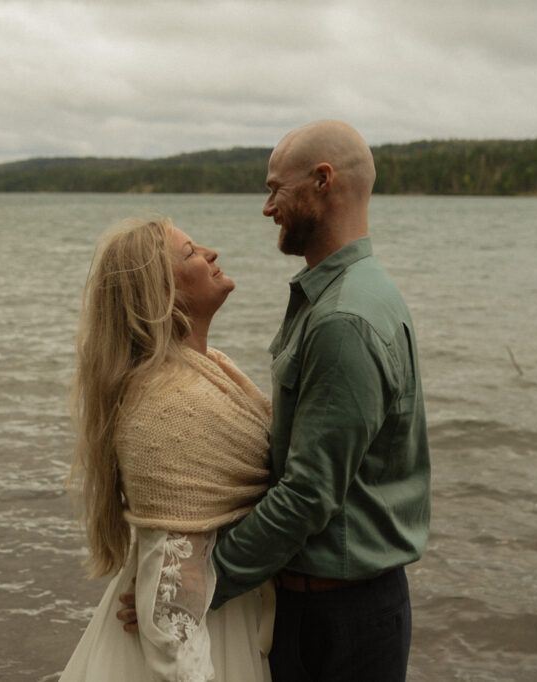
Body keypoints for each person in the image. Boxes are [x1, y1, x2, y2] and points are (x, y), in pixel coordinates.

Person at [119, 120, 430, 681]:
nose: (267, 208)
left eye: (274, 189)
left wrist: (197, 587)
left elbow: (309, 493)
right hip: (329, 607)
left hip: (339, 622)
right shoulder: (339, 296)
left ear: (322, 181)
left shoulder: (344, 318)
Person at [60, 217, 275, 681]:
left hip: (228, 611)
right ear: (164, 295)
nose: (212, 253)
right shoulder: (165, 407)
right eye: (192, 252)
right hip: (202, 642)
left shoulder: (210, 367)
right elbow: (169, 615)